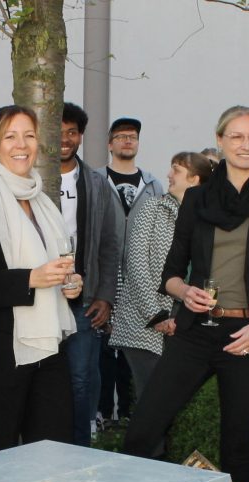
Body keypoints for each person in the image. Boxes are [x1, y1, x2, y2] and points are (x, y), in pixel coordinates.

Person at [123, 106, 249, 482]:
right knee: (141, 432)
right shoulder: (197, 199)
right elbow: (171, 274)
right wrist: (184, 291)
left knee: (236, 450)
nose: (247, 145)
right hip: (196, 334)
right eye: (238, 137)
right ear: (221, 141)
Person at [0, 104, 83, 459]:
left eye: (28, 135)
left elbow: (57, 266)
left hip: (49, 347)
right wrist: (31, 279)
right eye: (10, 136)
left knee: (53, 455)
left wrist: (69, 283)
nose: (21, 144)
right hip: (0, 353)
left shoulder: (42, 202)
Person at [110, 152, 213, 400]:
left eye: (176, 170)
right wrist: (155, 315)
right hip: (144, 322)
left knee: (175, 400)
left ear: (194, 179)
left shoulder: (208, 218)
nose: (168, 175)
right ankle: (147, 441)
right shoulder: (152, 207)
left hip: (186, 320)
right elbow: (135, 263)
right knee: (152, 398)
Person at [59, 102, 121, 445]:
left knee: (82, 377)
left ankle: (79, 447)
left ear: (81, 136)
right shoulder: (34, 178)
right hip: (39, 295)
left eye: (72, 132)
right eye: (60, 131)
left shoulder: (96, 184)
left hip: (83, 299)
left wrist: (105, 296)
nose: (66, 139)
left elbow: (110, 245)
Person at [96, 117, 164, 422]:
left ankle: (127, 413)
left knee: (132, 345)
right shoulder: (96, 179)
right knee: (102, 346)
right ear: (110, 144)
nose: (127, 141)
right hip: (106, 272)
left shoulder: (152, 184)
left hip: (141, 276)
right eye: (121, 136)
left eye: (132, 136)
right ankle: (102, 412)